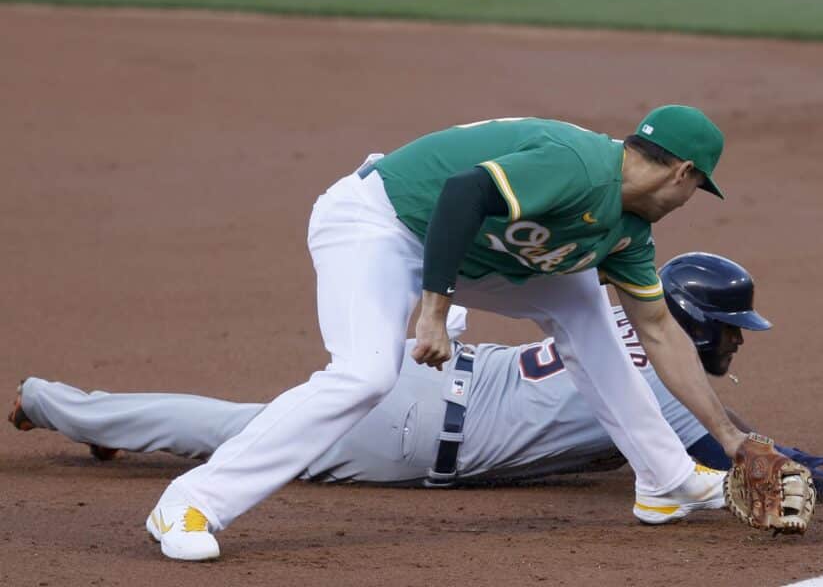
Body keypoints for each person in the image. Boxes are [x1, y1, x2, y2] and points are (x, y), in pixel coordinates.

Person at [26, 106, 761, 560]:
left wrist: (729, 442)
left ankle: (667, 480)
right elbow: (463, 193)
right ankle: (190, 503)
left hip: (474, 253)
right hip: (379, 224)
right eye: (699, 188)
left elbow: (659, 330)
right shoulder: (578, 165)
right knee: (365, 375)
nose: (693, 200)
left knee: (586, 311)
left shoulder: (628, 230)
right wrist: (434, 309)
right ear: (685, 174)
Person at [10, 253, 823, 512]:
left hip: (445, 381)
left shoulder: (637, 349)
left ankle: (91, 416)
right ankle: (53, 402)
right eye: (730, 331)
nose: (737, 346)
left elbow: (736, 431)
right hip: (408, 434)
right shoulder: (659, 389)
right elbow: (737, 456)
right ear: (695, 326)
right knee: (239, 435)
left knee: (239, 422)